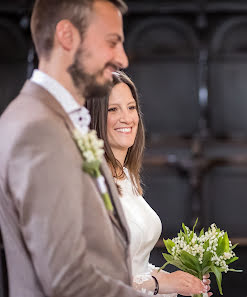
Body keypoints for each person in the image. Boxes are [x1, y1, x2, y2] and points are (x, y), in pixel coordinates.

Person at [0, 0, 191, 296]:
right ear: (67, 36)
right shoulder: (38, 130)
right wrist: (156, 287)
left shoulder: (53, 120)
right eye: (112, 42)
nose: (122, 58)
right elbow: (69, 281)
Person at [86, 70, 212, 296]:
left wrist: (180, 281)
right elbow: (92, 277)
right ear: (95, 117)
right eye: (113, 109)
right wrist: (161, 284)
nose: (127, 118)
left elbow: (138, 268)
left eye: (131, 107)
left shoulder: (127, 177)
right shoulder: (91, 184)